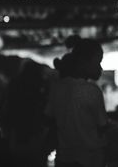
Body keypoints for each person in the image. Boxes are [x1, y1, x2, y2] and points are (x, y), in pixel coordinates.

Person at [45, 36, 107, 167]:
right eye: (97, 62)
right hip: (90, 160)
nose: (100, 68)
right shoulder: (92, 91)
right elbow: (102, 127)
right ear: (83, 62)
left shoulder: (57, 87)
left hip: (64, 159)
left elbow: (50, 119)